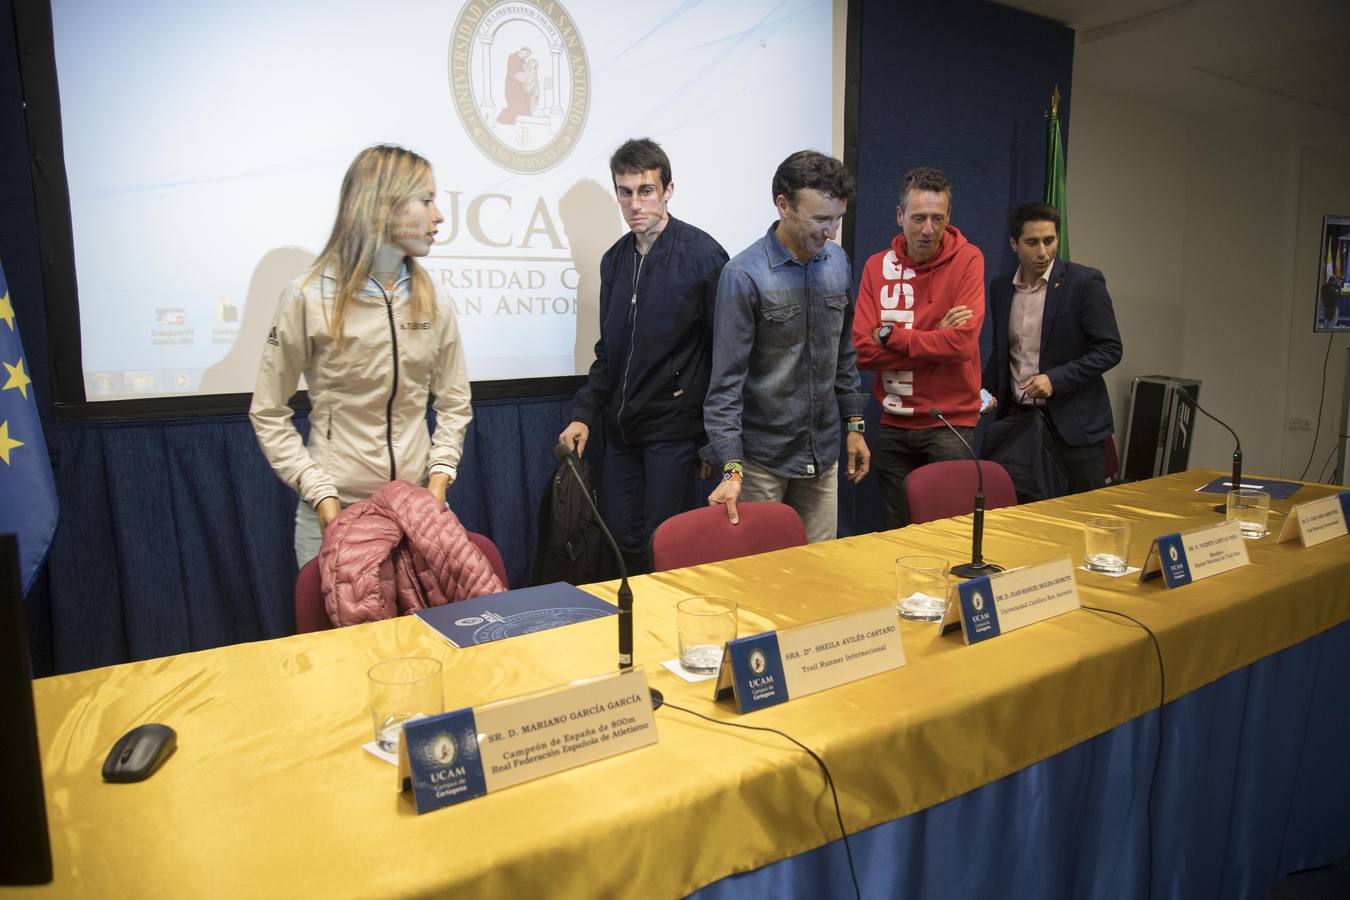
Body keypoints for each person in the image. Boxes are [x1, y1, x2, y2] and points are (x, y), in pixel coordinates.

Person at [251, 144, 472, 568]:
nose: (439, 215)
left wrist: (439, 479)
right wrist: (322, 495)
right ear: (383, 207)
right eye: (426, 201)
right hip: (336, 518)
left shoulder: (434, 299)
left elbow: (454, 402)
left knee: (425, 635)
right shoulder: (306, 296)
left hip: (416, 514)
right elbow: (267, 410)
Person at [559, 138, 728, 573]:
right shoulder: (613, 261)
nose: (635, 203)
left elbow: (724, 355)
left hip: (673, 431)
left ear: (668, 190)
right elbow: (608, 353)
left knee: (664, 543)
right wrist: (583, 413)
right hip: (620, 431)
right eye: (625, 191)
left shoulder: (703, 255)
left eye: (646, 190)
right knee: (620, 540)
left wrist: (715, 442)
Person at [703, 150, 869, 543]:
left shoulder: (838, 263)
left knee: (820, 575)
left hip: (823, 453)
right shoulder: (743, 275)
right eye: (820, 219)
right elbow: (725, 385)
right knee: (763, 580)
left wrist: (855, 428)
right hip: (763, 461)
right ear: (783, 205)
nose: (831, 232)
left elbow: (844, 355)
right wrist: (731, 469)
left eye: (837, 219)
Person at [852, 167, 985, 528]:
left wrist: (892, 337)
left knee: (949, 531)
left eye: (938, 218)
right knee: (900, 530)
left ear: (948, 218)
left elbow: (961, 344)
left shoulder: (968, 259)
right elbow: (862, 351)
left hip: (949, 422)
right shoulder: (877, 266)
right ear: (900, 216)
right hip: (894, 422)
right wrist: (934, 337)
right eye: (919, 218)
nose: (928, 229)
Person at [983, 202, 1123, 494]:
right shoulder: (1000, 288)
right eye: (1032, 242)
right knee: (1023, 520)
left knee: (1082, 519)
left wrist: (1055, 380)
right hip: (1019, 424)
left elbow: (1109, 349)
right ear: (1013, 243)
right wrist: (986, 393)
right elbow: (1002, 351)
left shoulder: (1084, 282)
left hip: (1075, 428)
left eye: (1050, 241)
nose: (1043, 251)